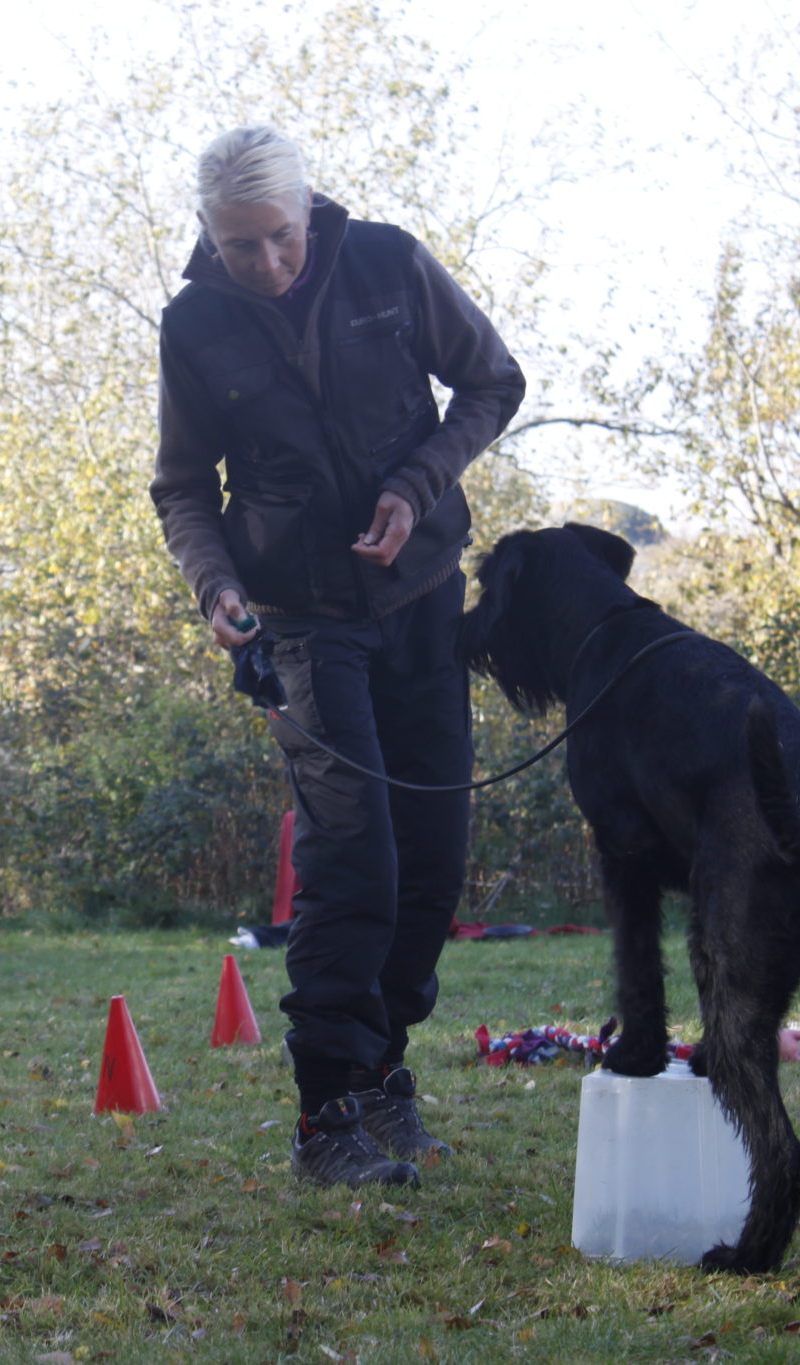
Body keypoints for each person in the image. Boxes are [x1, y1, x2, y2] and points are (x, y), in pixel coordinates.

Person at [149, 126, 525, 1187]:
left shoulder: (387, 263)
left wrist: (415, 487)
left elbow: (493, 384)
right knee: (352, 856)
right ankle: (326, 1119)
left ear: (308, 212)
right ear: (207, 238)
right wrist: (215, 588)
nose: (264, 266)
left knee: (432, 860)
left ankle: (380, 1077)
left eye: (277, 239)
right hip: (300, 620)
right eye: (237, 248)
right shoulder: (195, 327)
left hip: (419, 601)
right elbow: (181, 487)